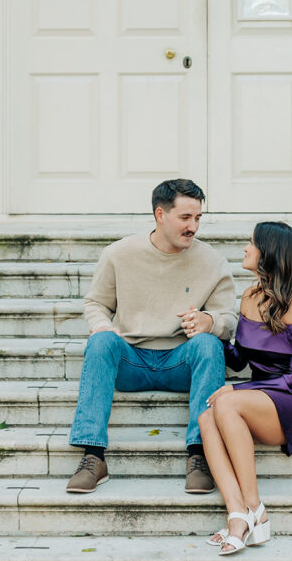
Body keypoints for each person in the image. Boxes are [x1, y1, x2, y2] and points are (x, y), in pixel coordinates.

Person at [67, 178, 238, 494]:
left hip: (181, 361)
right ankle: (93, 455)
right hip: (131, 359)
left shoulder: (212, 261)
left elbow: (229, 318)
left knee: (209, 345)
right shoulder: (119, 254)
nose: (194, 227)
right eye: (185, 218)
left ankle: (199, 455)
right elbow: (96, 303)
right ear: (161, 215)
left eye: (198, 218)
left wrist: (209, 320)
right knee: (100, 341)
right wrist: (103, 327)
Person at [198, 221, 292, 556]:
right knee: (206, 418)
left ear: (268, 252)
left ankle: (255, 508)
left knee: (224, 404)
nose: (245, 248)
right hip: (261, 398)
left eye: (251, 243)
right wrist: (207, 331)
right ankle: (237, 514)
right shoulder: (249, 296)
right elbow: (239, 359)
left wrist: (237, 392)